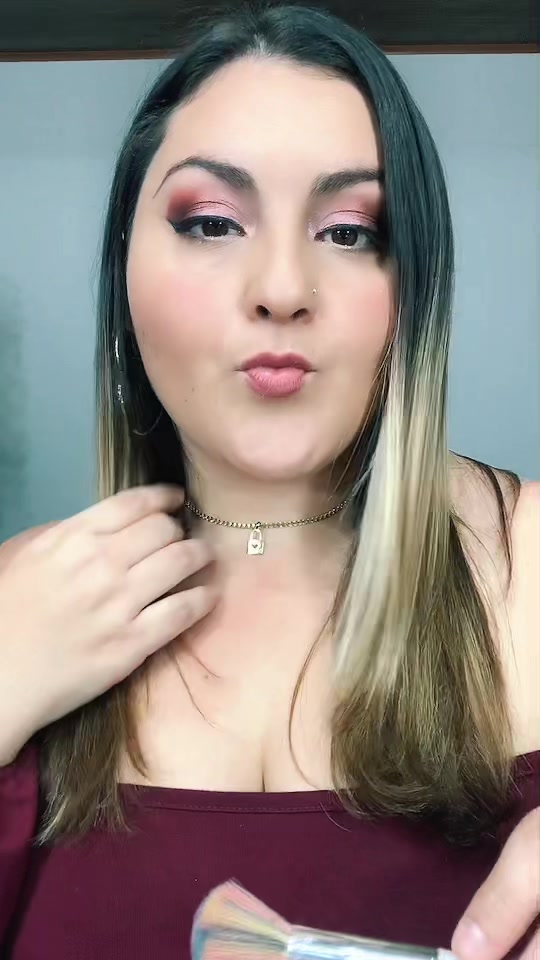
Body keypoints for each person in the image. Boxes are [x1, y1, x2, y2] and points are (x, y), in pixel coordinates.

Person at [0, 4, 538, 959]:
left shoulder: (528, 562)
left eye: (349, 232)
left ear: (416, 288)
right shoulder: (15, 607)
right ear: (123, 274)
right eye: (211, 223)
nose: (283, 288)